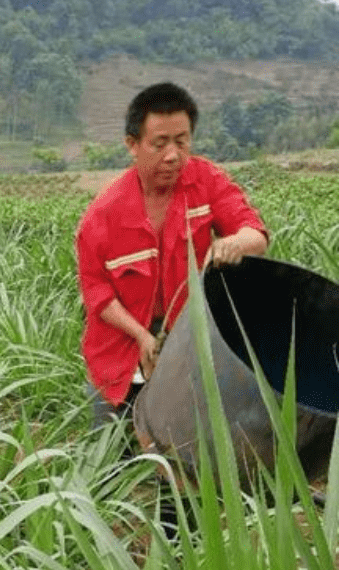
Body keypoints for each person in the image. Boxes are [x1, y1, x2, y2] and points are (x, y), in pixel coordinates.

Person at [77, 81, 268, 426]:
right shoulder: (102, 215)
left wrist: (236, 242)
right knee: (107, 447)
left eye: (182, 141)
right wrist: (141, 336)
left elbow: (253, 231)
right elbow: (96, 290)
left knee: (186, 444)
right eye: (159, 143)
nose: (173, 155)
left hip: (189, 332)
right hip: (120, 343)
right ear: (133, 145)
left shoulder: (206, 181)